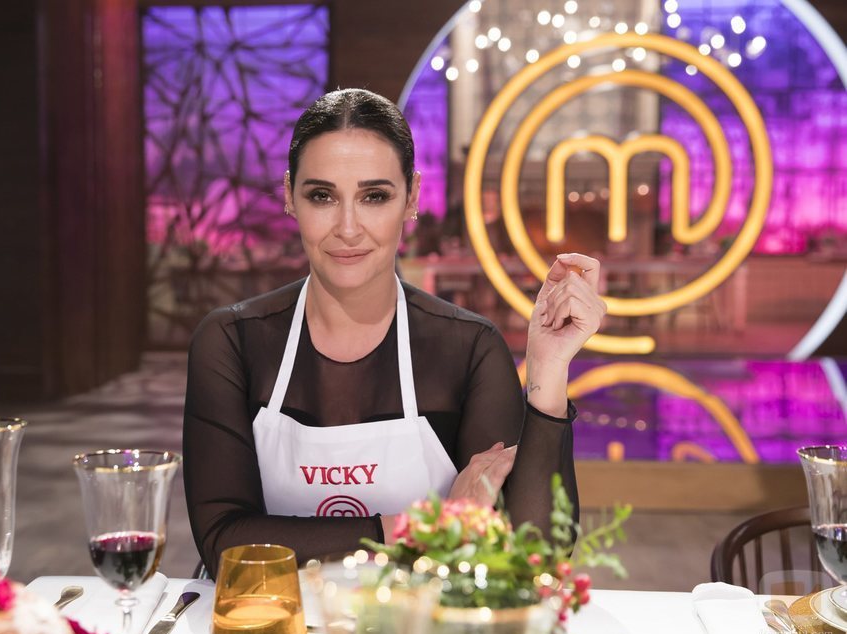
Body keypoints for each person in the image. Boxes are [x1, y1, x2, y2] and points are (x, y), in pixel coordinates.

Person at [183, 89, 607, 579]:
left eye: (374, 196)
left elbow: (533, 553)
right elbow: (225, 546)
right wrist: (422, 527)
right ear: (289, 196)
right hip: (267, 617)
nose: (347, 228)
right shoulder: (232, 341)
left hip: (416, 620)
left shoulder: (467, 349)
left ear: (412, 198)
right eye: (322, 196)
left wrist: (549, 370)